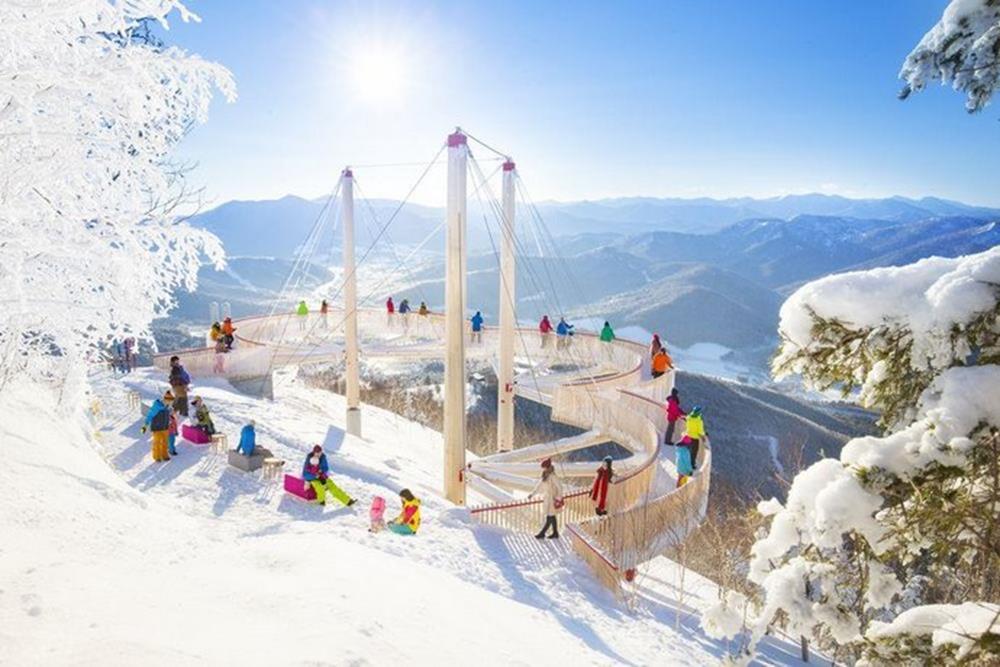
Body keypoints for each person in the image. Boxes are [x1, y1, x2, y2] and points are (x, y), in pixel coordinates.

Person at [529, 459, 563, 539]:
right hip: (547, 499)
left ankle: (542, 533)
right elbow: (539, 486)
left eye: (544, 467)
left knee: (549, 516)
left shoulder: (553, 476)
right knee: (552, 516)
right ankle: (555, 533)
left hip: (552, 499)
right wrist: (532, 494)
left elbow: (560, 487)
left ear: (547, 467)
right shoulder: (545, 475)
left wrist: (558, 498)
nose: (543, 469)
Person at [141, 391, 173, 462]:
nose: (170, 403)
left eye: (171, 402)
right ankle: (157, 456)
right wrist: (145, 425)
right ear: (166, 400)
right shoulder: (156, 406)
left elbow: (168, 416)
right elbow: (150, 415)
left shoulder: (167, 407)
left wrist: (170, 423)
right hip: (157, 428)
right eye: (170, 401)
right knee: (157, 442)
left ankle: (164, 455)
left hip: (165, 427)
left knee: (165, 442)